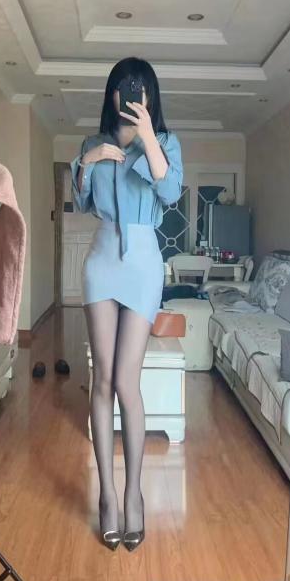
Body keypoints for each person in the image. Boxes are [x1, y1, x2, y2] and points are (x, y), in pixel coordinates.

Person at [70, 57, 183, 551]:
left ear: (150, 95)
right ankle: (107, 495)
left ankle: (134, 493)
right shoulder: (92, 144)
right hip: (101, 262)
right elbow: (81, 201)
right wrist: (88, 161)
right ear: (112, 94)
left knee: (125, 382)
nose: (131, 94)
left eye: (140, 87)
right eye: (123, 86)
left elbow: (170, 191)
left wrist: (149, 138)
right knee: (101, 380)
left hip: (142, 265)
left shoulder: (166, 142)